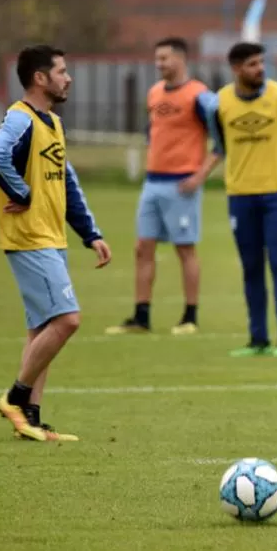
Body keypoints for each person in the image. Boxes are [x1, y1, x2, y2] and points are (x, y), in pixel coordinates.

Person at [0, 45, 112, 442]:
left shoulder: (53, 125)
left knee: (41, 327)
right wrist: (21, 193)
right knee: (67, 320)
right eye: (61, 71)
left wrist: (90, 233)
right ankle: (15, 396)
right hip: (29, 237)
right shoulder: (19, 119)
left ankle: (30, 419)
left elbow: (67, 183)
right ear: (40, 78)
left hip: (51, 235)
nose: (68, 77)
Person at [106, 37, 217, 336]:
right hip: (152, 182)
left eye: (165, 58)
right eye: (157, 58)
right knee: (143, 248)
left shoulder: (200, 96)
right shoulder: (154, 93)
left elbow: (221, 140)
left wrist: (199, 176)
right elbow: (153, 132)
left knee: (185, 248)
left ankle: (189, 317)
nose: (159, 64)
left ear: (181, 59)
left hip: (182, 185)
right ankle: (141, 317)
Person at [205, 42, 277, 357]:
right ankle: (258, 339)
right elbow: (220, 144)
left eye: (261, 62)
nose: (259, 69)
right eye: (252, 64)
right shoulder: (218, 104)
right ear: (236, 69)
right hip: (240, 195)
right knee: (250, 267)